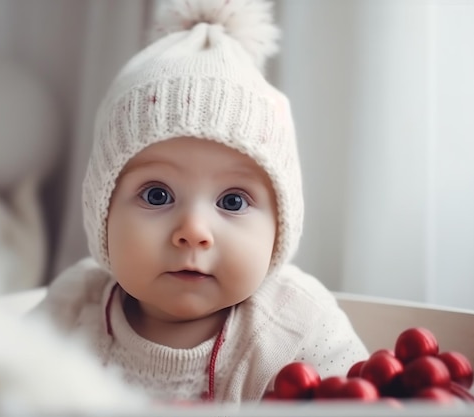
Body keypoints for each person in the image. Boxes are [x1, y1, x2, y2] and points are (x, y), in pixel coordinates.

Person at [33, 0, 369, 403]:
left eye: (232, 201)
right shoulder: (73, 307)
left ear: (281, 226)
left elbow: (370, 402)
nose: (193, 231)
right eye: (157, 195)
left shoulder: (298, 327)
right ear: (101, 212)